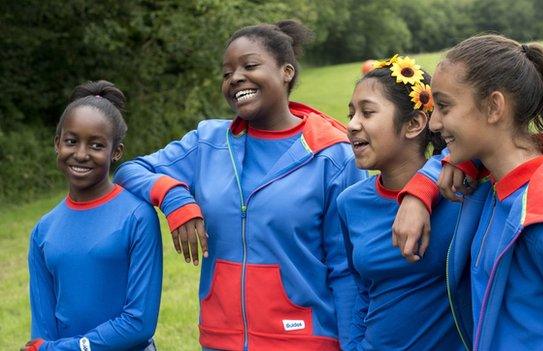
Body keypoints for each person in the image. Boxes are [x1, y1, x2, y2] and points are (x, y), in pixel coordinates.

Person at [113, 20, 365, 350]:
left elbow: (347, 270)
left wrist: (354, 346)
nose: (235, 78)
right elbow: (131, 171)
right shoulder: (207, 142)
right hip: (221, 339)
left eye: (249, 65)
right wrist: (174, 197)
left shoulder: (333, 157)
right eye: (227, 72)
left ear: (286, 71)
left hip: (305, 340)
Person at [399, 34, 543, 350]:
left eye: (445, 107)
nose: (434, 123)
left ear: (494, 107)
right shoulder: (492, 180)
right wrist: (436, 177)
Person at [23, 81, 163, 351]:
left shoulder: (137, 217)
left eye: (97, 145)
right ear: (57, 144)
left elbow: (139, 323)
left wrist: (70, 348)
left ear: (116, 152)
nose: (81, 154)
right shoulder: (44, 230)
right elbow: (42, 331)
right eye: (71, 142)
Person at [337, 55, 463, 351]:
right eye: (351, 113)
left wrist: (424, 186)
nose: (352, 125)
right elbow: (361, 290)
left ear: (414, 123)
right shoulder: (349, 203)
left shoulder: (458, 193)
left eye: (367, 113)